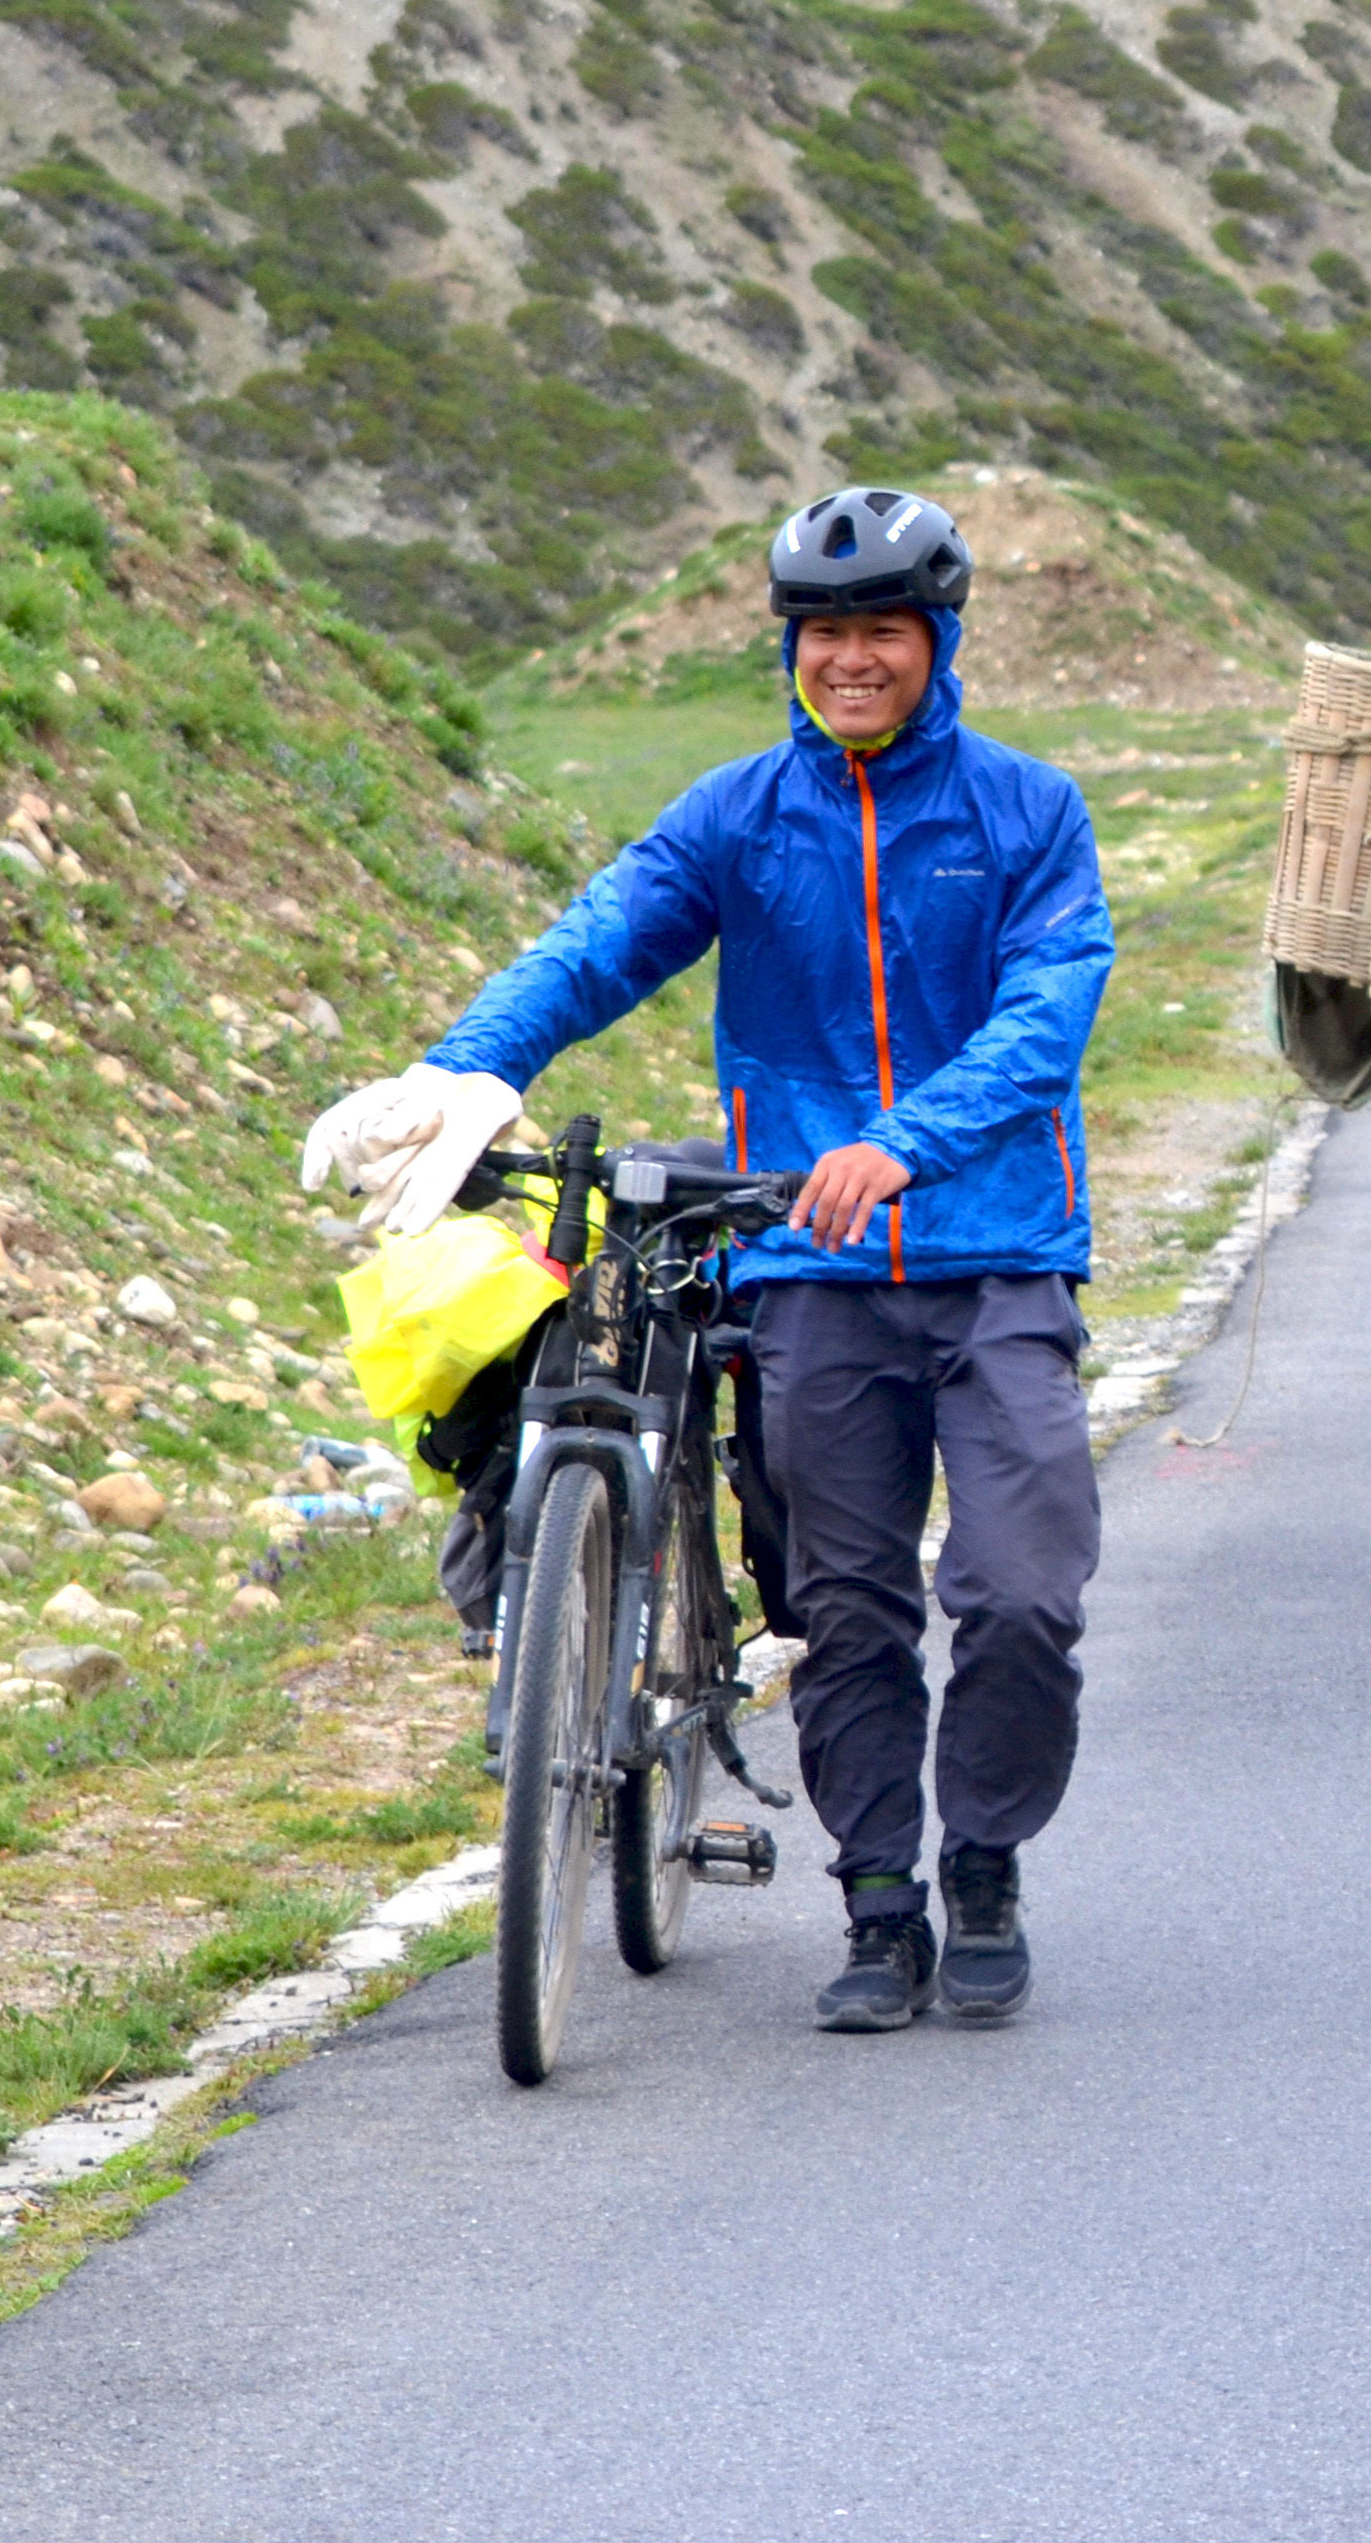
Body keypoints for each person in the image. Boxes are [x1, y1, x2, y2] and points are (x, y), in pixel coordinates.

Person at [300, 489, 1116, 2037]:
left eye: (883, 632)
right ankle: (882, 1903)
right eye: (825, 636)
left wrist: (907, 1139)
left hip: (997, 1246)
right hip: (804, 1272)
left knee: (1021, 1593)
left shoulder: (1029, 812)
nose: (853, 661)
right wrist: (459, 1074)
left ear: (936, 643)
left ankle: (986, 1860)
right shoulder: (741, 815)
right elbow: (599, 942)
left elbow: (1049, 1010)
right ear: (792, 652)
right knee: (846, 1602)